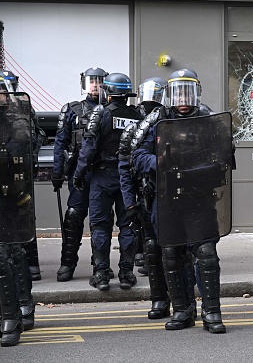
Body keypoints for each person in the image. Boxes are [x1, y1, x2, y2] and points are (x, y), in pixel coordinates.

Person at [133, 68, 229, 333]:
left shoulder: (208, 120)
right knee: (172, 254)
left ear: (197, 93)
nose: (183, 99)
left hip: (199, 197)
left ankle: (212, 313)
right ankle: (183, 311)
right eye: (178, 92)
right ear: (169, 95)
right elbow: (137, 155)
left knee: (206, 253)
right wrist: (160, 163)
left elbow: (223, 158)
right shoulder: (157, 121)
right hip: (166, 199)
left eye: (188, 92)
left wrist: (196, 166)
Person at [73, 72, 141, 291]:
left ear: (108, 93)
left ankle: (101, 274)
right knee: (127, 226)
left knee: (100, 226)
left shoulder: (99, 113)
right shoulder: (137, 116)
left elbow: (88, 148)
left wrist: (79, 175)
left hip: (102, 177)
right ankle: (126, 273)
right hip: (127, 179)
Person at [52, 67, 109, 282]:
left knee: (101, 221)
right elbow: (60, 143)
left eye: (99, 81)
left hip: (103, 173)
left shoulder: (111, 109)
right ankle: (67, 263)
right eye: (91, 81)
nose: (95, 85)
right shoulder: (72, 110)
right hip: (79, 173)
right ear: (84, 84)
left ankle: (100, 265)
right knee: (74, 217)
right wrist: (57, 172)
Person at [118, 77, 169, 318]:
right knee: (151, 249)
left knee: (182, 252)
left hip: (173, 196)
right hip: (146, 197)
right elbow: (125, 167)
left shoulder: (172, 122)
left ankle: (183, 300)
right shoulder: (134, 129)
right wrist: (129, 202)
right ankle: (159, 299)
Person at [0, 85, 37, 346]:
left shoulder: (17, 122)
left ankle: (14, 315)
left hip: (11, 195)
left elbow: (20, 152)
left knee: (8, 256)